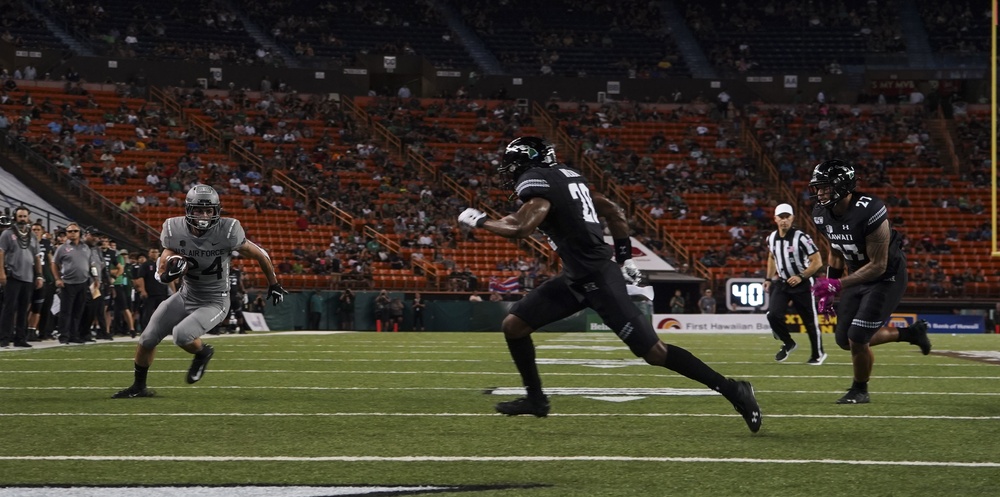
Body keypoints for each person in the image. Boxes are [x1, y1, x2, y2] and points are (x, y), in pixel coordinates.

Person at [457, 136, 761, 432]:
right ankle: (536, 399)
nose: (510, 174)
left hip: (598, 278)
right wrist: (626, 258)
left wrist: (480, 220)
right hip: (578, 276)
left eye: (512, 166)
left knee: (654, 353)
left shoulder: (538, 180)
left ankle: (733, 390)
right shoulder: (568, 177)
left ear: (526, 162)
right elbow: (613, 210)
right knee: (514, 326)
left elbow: (521, 227)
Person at [112, 185, 287, 399]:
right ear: (188, 210)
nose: (204, 216)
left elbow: (260, 254)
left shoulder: (229, 230)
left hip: (215, 301)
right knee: (147, 338)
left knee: (182, 335)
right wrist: (167, 272)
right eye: (198, 210)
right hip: (186, 295)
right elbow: (166, 256)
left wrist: (274, 284)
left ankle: (203, 352)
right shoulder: (174, 228)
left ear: (216, 211)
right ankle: (138, 387)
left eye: (208, 211)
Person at [807, 159, 931, 404]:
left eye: (825, 187)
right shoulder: (821, 214)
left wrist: (838, 285)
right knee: (844, 340)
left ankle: (860, 389)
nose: (819, 192)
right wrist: (829, 290)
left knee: (858, 336)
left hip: (886, 277)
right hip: (857, 273)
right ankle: (910, 334)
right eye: (817, 187)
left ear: (842, 186)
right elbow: (835, 251)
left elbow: (878, 265)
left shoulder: (869, 209)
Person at [764, 203, 826, 365]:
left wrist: (801, 276)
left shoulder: (801, 237)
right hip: (783, 282)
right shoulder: (771, 238)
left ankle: (817, 354)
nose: (784, 220)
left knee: (809, 321)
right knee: (773, 315)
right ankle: (788, 342)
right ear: (775, 219)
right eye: (781, 217)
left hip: (802, 284)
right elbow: (771, 257)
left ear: (792, 218)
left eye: (787, 217)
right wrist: (768, 279)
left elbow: (817, 261)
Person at [0, 206, 44, 348]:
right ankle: (4, 338)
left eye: (25, 216)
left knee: (24, 308)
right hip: (13, 275)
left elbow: (37, 257)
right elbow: (1, 253)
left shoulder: (31, 235)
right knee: (9, 308)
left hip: (28, 276)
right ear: (15, 217)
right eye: (20, 216)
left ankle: (20, 338)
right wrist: (1, 273)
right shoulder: (7, 234)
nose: (22, 219)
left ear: (28, 217)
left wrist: (39, 275)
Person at [51, 222, 95, 344]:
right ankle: (64, 336)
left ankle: (74, 335)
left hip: (83, 282)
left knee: (78, 310)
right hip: (68, 283)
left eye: (75, 231)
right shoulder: (62, 248)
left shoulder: (86, 247)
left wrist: (95, 278)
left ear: (79, 233)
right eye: (70, 231)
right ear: (66, 233)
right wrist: (58, 279)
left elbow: (91, 264)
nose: (73, 233)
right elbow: (54, 263)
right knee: (66, 311)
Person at [133, 247, 170, 334]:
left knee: (162, 313)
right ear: (149, 254)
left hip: (161, 292)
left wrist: (173, 290)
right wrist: (143, 290)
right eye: (152, 252)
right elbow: (140, 278)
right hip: (150, 293)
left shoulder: (163, 264)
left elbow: (169, 278)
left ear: (159, 253)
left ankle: (161, 329)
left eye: (156, 252)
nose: (154, 254)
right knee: (147, 312)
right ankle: (146, 329)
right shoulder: (145, 265)